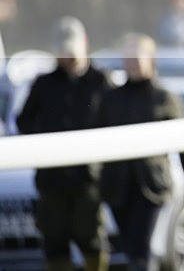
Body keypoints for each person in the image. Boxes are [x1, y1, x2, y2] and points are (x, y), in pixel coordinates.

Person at [16, 16, 113, 271]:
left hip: (88, 179)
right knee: (54, 241)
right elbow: (24, 121)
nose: (67, 59)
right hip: (51, 179)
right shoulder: (44, 84)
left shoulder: (101, 82)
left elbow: (114, 125)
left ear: (85, 45)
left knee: (92, 239)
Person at [97, 33, 184, 271]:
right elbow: (98, 140)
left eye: (136, 56)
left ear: (151, 59)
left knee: (143, 248)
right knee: (131, 249)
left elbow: (182, 143)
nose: (131, 62)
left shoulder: (164, 98)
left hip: (152, 188)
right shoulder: (111, 98)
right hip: (118, 189)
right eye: (127, 57)